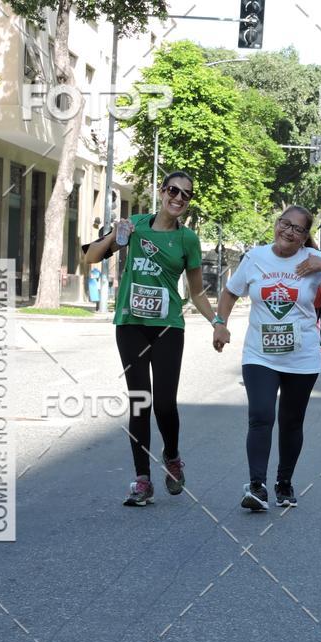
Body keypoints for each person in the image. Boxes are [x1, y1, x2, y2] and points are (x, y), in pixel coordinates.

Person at [82, 170, 229, 506]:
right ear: (162, 192)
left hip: (168, 328)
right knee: (140, 401)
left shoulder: (188, 240)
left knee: (164, 403)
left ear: (188, 203)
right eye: (173, 190)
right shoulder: (134, 225)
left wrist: (218, 322)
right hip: (131, 325)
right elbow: (90, 256)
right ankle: (142, 479)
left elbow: (196, 292)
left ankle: (173, 456)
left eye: (185, 195)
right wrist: (116, 238)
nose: (178, 198)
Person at [213, 206, 321, 511]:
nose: (289, 232)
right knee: (261, 415)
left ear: (306, 236)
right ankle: (257, 486)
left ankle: (284, 482)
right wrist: (220, 324)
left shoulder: (313, 262)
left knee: (292, 422)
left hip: (301, 356)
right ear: (276, 224)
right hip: (259, 354)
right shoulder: (255, 257)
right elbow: (229, 293)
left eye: (298, 229)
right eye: (284, 224)